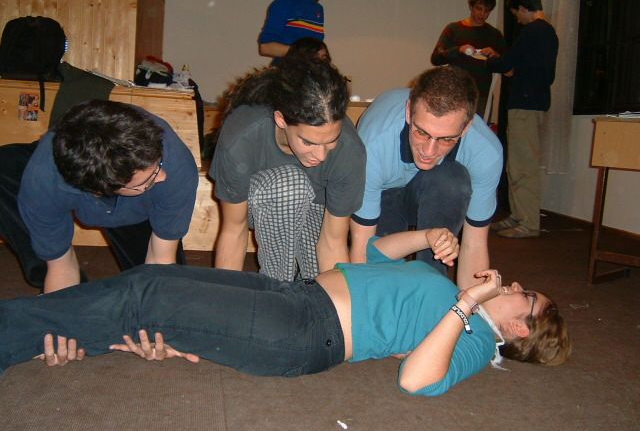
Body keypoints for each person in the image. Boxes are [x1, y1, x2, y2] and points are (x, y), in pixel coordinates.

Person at [0, 228, 571, 397]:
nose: (518, 285)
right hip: (294, 295)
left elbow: (417, 380)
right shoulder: (448, 296)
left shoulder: (476, 340)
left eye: (528, 296)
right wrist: (428, 237)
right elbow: (376, 253)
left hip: (304, 333)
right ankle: (44, 331)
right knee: (150, 281)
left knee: (147, 301)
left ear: (518, 328)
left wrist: (467, 303)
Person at [0, 100, 198, 293]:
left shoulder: (175, 166)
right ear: (99, 191)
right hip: (67, 182)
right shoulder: (43, 183)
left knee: (164, 285)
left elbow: (161, 262)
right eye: (148, 180)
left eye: (158, 165)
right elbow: (61, 267)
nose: (162, 176)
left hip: (140, 206)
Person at [209, 56, 365, 281]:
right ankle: (277, 288)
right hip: (264, 203)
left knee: (318, 285)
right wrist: (225, 296)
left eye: (331, 141)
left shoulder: (350, 151)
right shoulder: (241, 139)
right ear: (281, 120)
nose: (321, 156)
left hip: (316, 208)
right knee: (289, 186)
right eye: (308, 142)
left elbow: (334, 241)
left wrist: (336, 297)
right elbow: (234, 229)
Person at [350, 66, 503, 280]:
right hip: (384, 192)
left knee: (452, 181)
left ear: (467, 127)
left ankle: (431, 278)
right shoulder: (373, 145)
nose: (429, 152)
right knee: (383, 271)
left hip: (435, 190)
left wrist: (472, 301)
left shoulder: (487, 152)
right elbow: (362, 250)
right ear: (408, 112)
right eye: (421, 132)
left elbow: (474, 244)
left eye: (446, 139)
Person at [487, 0, 558, 239]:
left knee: (523, 165)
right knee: (517, 163)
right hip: (532, 104)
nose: (517, 18)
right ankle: (518, 215)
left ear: (524, 8)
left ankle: (528, 222)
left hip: (526, 106)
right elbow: (534, 69)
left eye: (516, 12)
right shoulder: (547, 32)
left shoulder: (534, 31)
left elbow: (507, 62)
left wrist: (490, 60)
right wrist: (511, 68)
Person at [431, 0, 506, 116]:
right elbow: (436, 59)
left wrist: (495, 55)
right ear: (471, 7)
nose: (482, 14)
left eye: (487, 11)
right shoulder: (453, 29)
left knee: (477, 127)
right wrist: (458, 50)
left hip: (481, 95)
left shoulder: (494, 34)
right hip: (455, 92)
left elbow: (507, 68)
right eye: (479, 9)